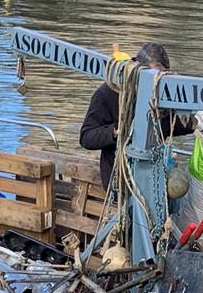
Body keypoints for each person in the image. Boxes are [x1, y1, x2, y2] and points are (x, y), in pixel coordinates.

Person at [78, 43, 190, 187]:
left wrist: (197, 122)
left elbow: (170, 125)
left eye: (161, 76)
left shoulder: (161, 92)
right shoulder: (108, 92)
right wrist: (116, 132)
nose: (156, 81)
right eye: (153, 75)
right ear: (137, 67)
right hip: (119, 175)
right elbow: (86, 137)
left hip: (153, 171)